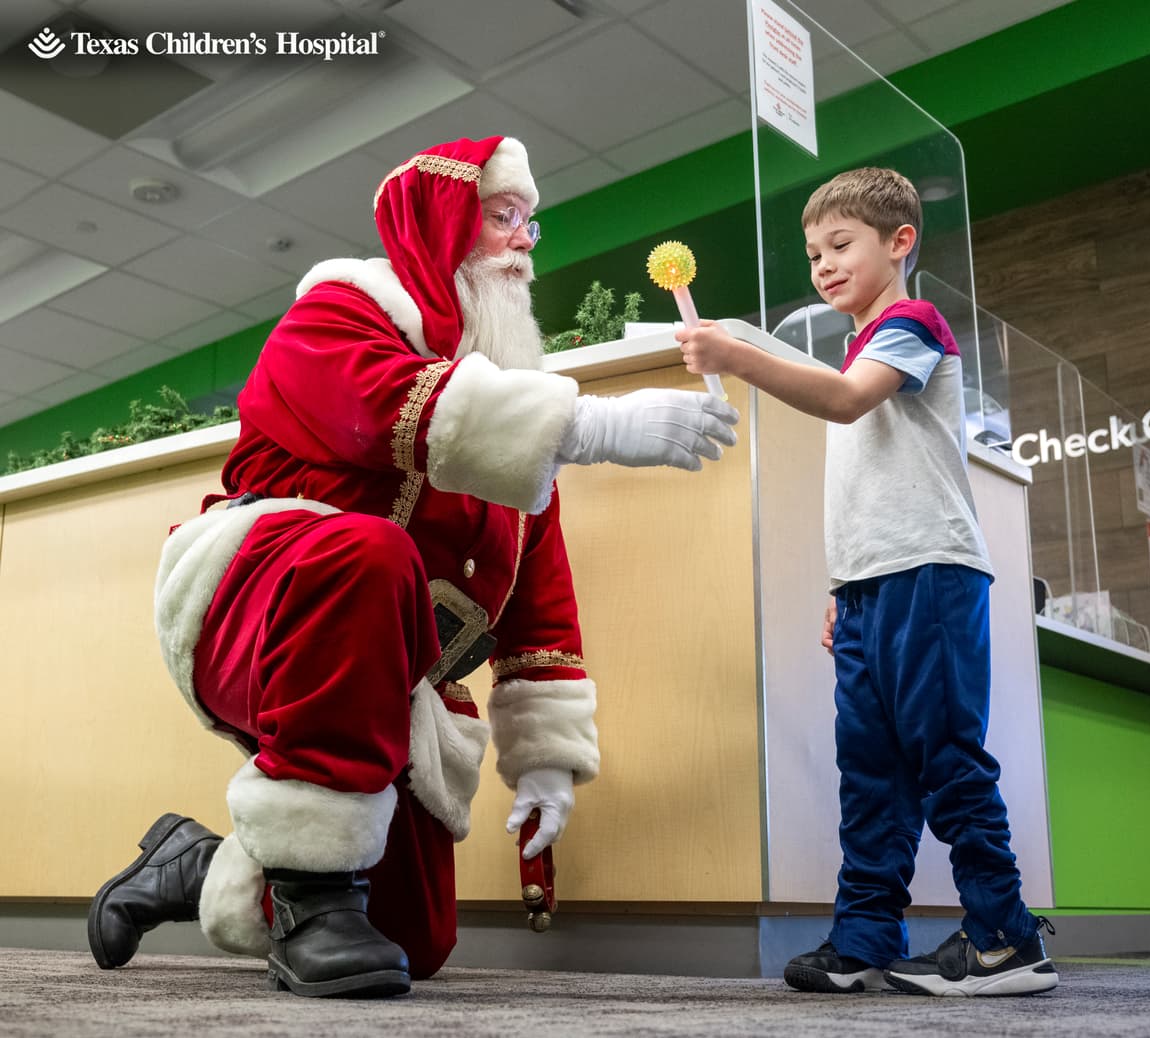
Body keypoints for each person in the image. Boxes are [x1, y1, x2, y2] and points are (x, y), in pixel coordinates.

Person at [87, 135, 738, 999]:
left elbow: (541, 610)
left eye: (530, 224)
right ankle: (315, 900)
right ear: (441, 226)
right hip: (256, 606)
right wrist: (593, 426)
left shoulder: (517, 447)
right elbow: (381, 410)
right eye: (503, 217)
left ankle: (197, 863)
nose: (524, 243)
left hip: (393, 679)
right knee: (368, 549)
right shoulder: (334, 317)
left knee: (413, 941)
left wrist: (543, 758)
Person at [674, 167, 1057, 997]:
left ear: (900, 242)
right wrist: (841, 590)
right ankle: (864, 938)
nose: (823, 265)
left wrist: (738, 354)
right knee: (871, 770)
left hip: (930, 575)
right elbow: (870, 488)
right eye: (814, 253)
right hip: (871, 588)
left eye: (840, 246)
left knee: (946, 756)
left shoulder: (910, 325)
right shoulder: (863, 342)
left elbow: (848, 403)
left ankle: (1005, 938)